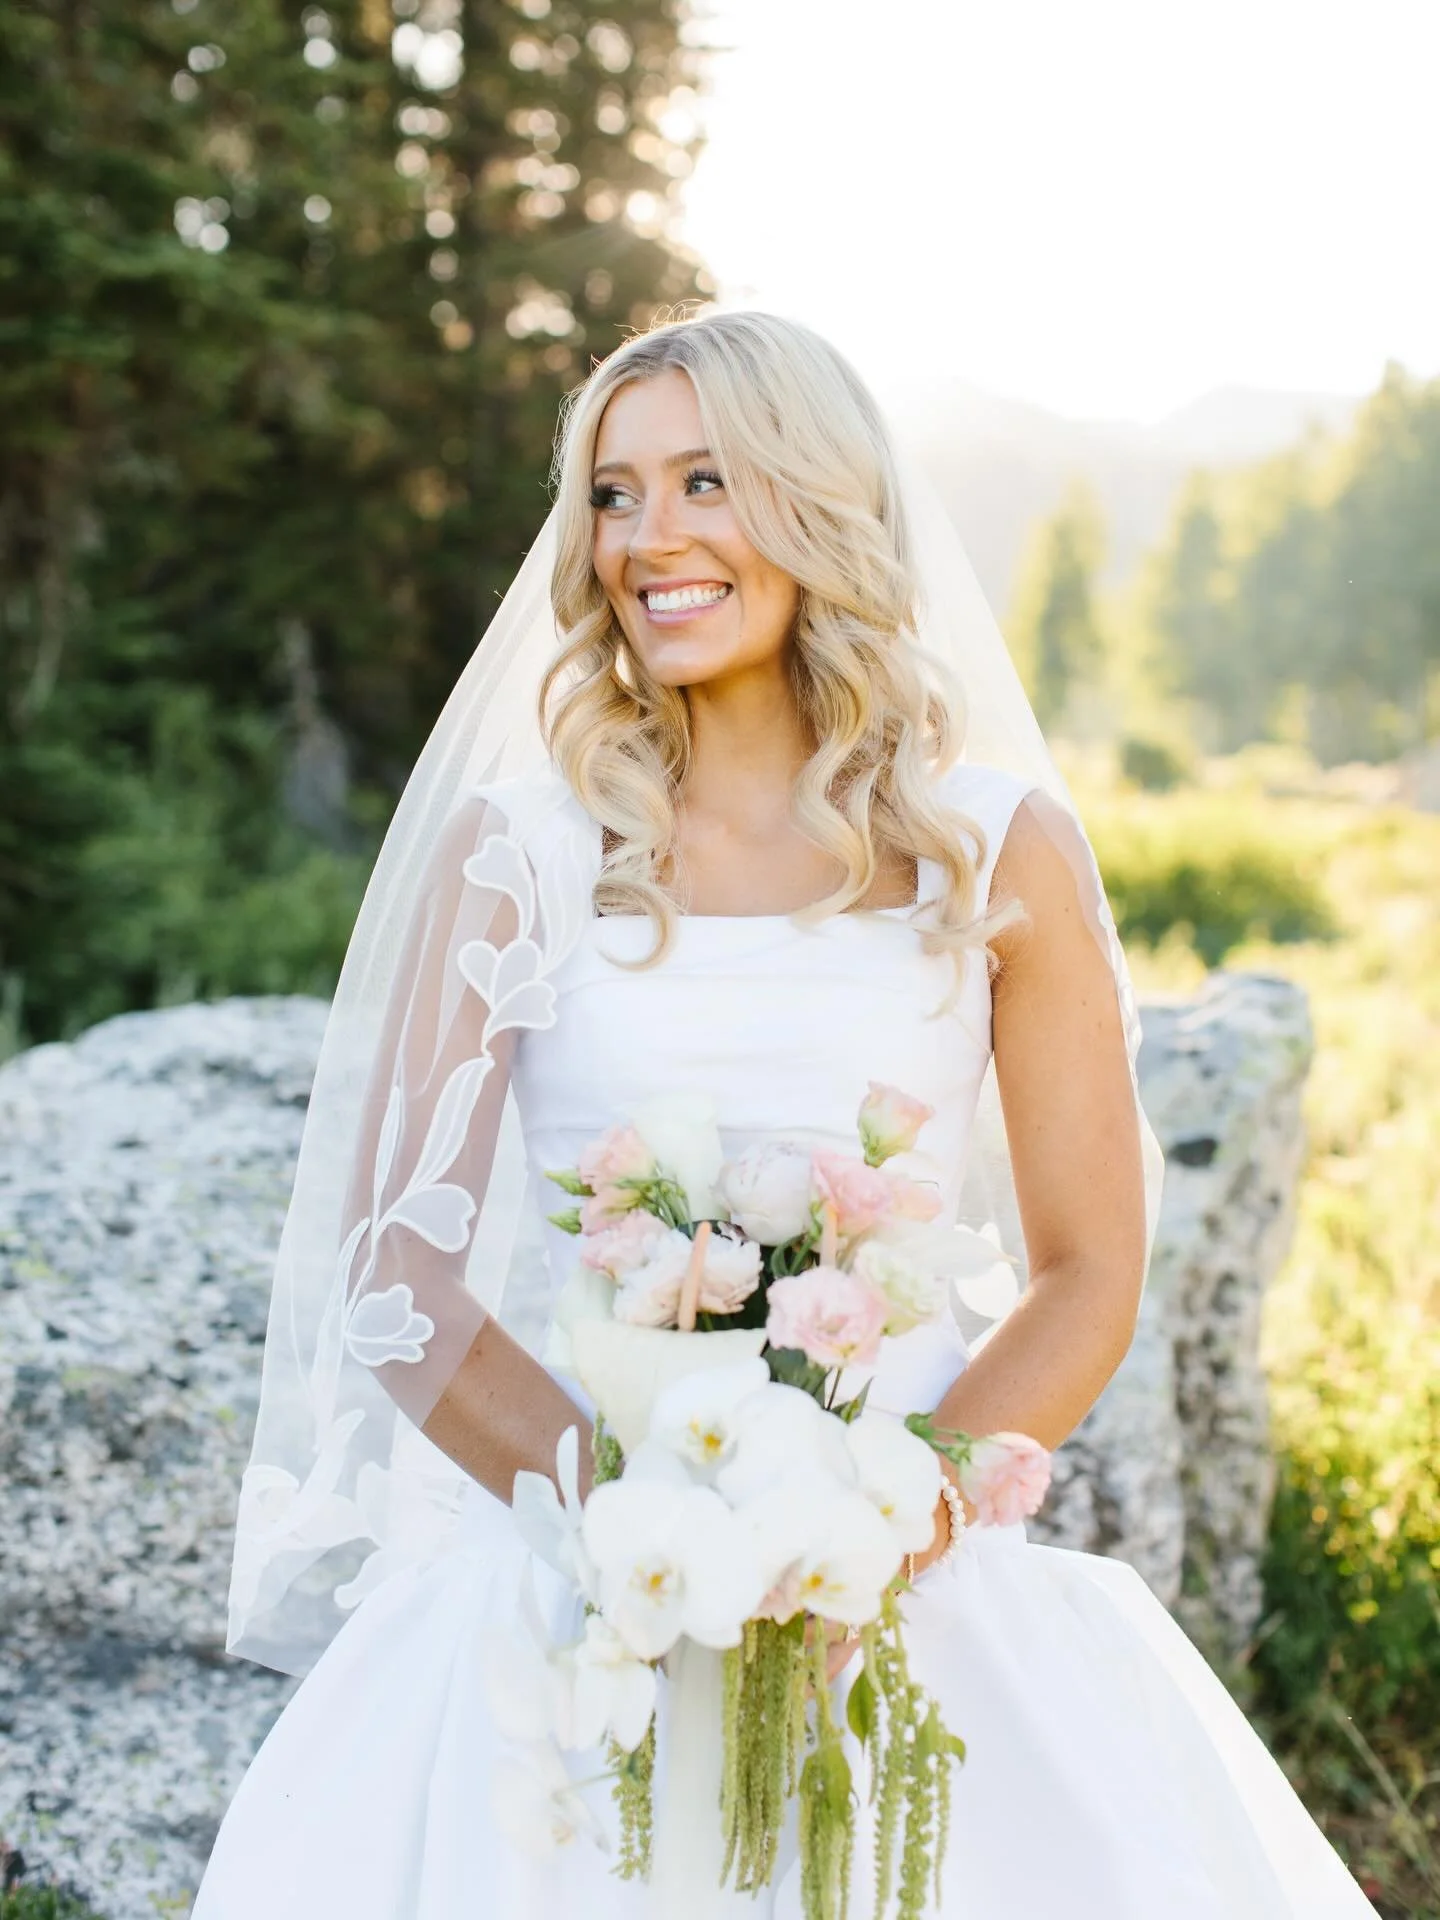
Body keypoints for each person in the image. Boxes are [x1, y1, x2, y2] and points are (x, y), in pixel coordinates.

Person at [194, 310, 1375, 1917]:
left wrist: (875, 1539)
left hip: (906, 1580)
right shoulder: (519, 856)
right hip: (581, 1587)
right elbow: (398, 1285)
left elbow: (1090, 1268)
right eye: (612, 495)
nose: (646, 538)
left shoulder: (993, 848)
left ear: (820, 506)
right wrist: (634, 1530)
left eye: (703, 482)